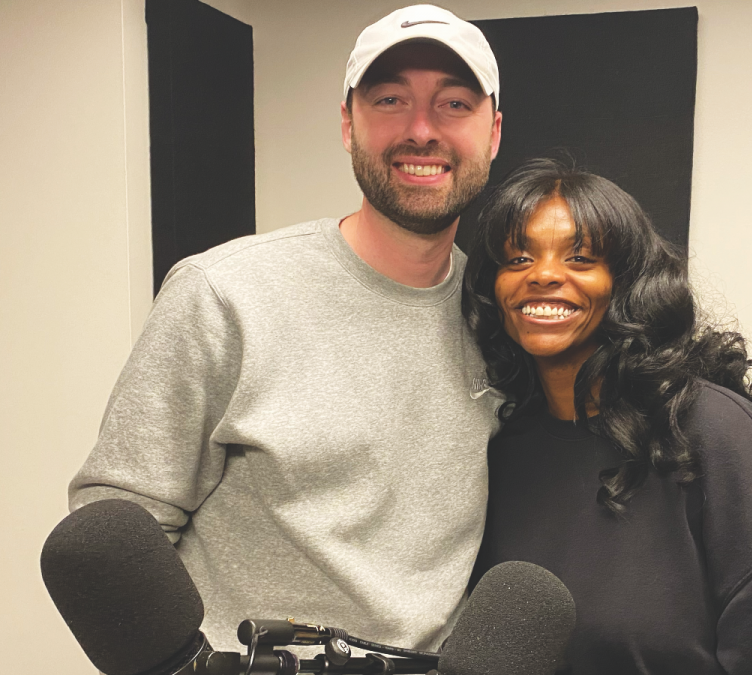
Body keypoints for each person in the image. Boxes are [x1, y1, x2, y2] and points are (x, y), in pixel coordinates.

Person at [69, 5, 503, 655]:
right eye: (389, 99)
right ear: (347, 123)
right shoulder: (226, 294)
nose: (421, 129)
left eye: (454, 104)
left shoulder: (498, 317)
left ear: (493, 133)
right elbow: (118, 533)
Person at [464, 158, 752, 674]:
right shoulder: (504, 450)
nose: (544, 275)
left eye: (580, 258)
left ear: (627, 284)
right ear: (493, 288)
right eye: (517, 259)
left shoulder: (716, 436)